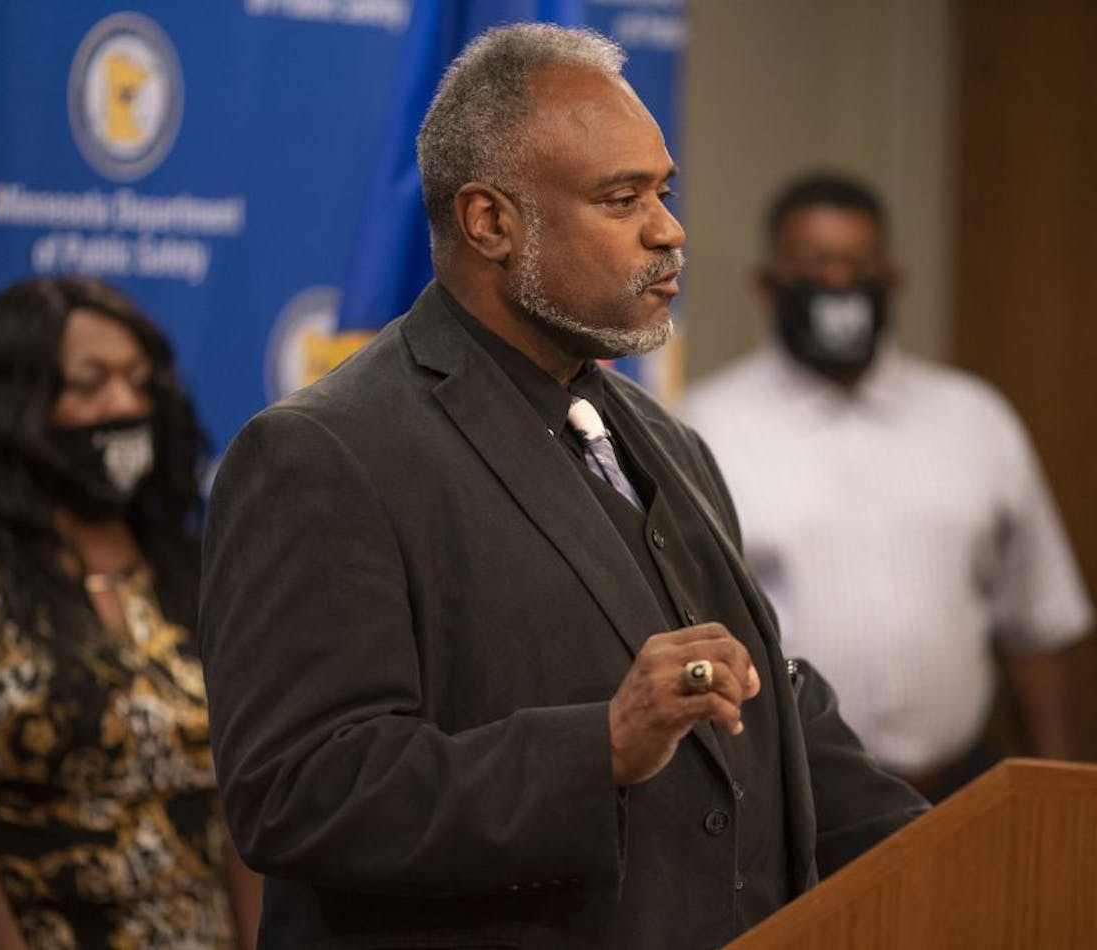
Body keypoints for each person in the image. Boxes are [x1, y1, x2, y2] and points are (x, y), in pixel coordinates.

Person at [200, 24, 927, 949]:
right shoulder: (321, 454)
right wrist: (600, 748)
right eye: (621, 198)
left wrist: (964, 849)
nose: (668, 230)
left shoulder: (668, 441)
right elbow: (298, 792)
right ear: (491, 222)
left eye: (663, 192)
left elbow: (741, 699)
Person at [0, 276, 261, 948]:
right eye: (90, 383)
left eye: (137, 379)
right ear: (20, 403)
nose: (124, 403)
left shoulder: (188, 565)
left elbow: (243, 799)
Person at [683, 173, 1094, 801]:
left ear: (892, 280)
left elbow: (1035, 621)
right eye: (814, 264)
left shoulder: (976, 418)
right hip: (784, 796)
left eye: (858, 264)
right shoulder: (701, 427)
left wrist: (1061, 787)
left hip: (956, 787)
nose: (839, 283)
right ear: (768, 284)